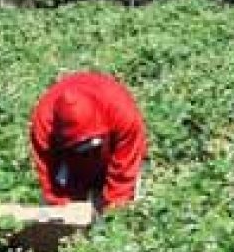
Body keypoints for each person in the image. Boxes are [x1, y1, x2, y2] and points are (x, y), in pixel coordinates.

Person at [29, 71, 147, 211]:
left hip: (111, 149)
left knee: (122, 203)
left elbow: (125, 171)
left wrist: (115, 212)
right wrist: (62, 210)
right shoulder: (44, 122)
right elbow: (50, 178)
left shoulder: (121, 111)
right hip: (69, 160)